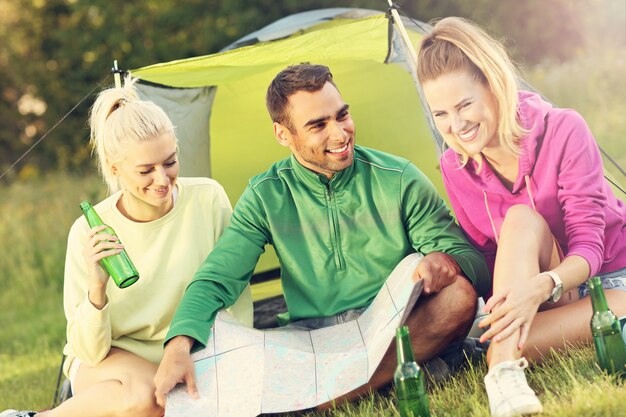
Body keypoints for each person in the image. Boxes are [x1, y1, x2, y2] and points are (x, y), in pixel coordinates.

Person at [152, 63, 490, 409]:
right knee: (221, 349)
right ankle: (409, 371)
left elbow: (472, 264)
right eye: (318, 125)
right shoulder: (266, 194)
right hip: (313, 341)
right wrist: (177, 346)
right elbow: (215, 279)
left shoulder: (399, 177)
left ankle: (333, 396)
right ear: (283, 135)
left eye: (342, 115)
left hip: (393, 323)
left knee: (459, 297)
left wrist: (445, 261)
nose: (341, 134)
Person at [0, 77, 252, 417]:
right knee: (151, 399)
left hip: (191, 349)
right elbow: (89, 352)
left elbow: (233, 293)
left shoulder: (208, 199)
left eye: (170, 162)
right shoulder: (88, 232)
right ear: (115, 169)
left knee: (184, 402)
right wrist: (96, 288)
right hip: (110, 361)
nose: (162, 179)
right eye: (145, 170)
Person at [416, 16, 626, 417]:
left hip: (606, 279)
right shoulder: (454, 167)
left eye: (464, 105)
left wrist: (541, 287)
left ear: (494, 86)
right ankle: (505, 377)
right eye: (440, 113)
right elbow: (492, 258)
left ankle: (500, 362)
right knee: (520, 226)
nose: (456, 126)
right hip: (540, 293)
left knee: (520, 224)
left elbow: (589, 245)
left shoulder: (564, 129)